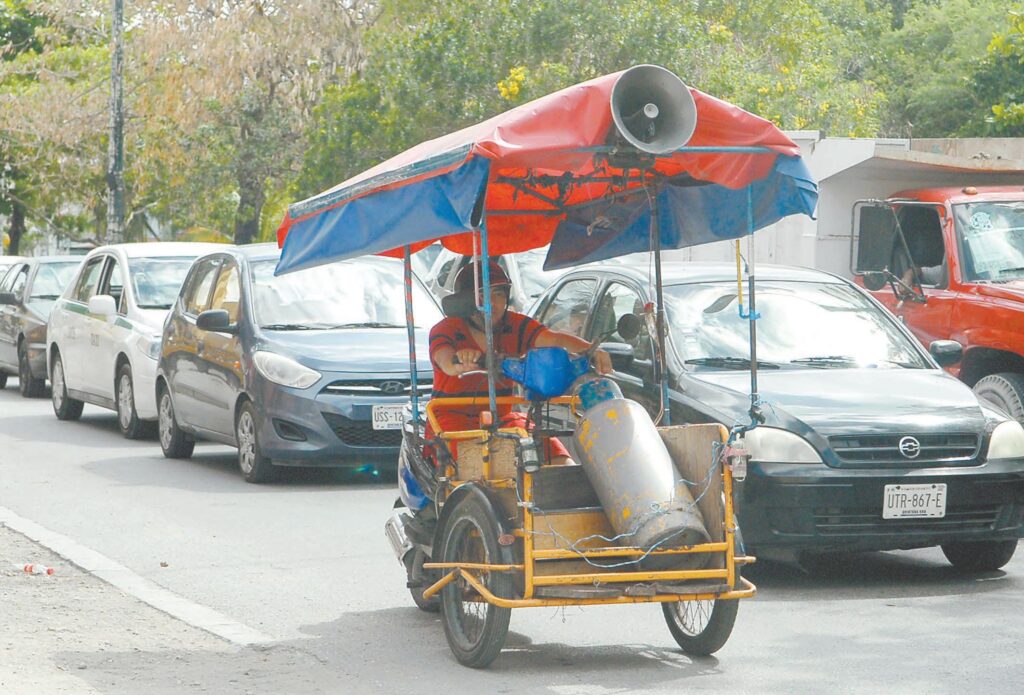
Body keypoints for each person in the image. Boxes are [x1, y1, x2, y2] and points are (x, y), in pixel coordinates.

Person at [427, 260, 612, 465]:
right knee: (478, 466)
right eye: (484, 295)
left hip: (502, 418)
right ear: (465, 301)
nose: (494, 303)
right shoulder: (445, 329)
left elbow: (554, 339)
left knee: (558, 459)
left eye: (499, 294)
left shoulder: (514, 324)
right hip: (451, 420)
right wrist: (461, 359)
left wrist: (591, 350)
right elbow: (445, 361)